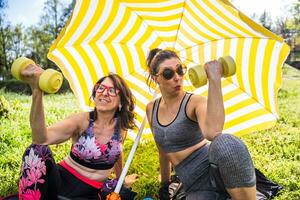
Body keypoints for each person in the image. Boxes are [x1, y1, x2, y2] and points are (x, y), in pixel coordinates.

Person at [145, 48, 256, 200]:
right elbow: (162, 150)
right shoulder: (152, 108)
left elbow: (213, 132)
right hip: (195, 185)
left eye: (180, 70)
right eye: (168, 73)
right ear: (155, 78)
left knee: (226, 143)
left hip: (214, 169)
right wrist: (165, 184)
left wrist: (214, 79)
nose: (177, 77)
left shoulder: (195, 102)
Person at [17, 63, 137, 200]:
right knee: (37, 150)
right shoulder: (82, 121)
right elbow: (40, 139)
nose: (104, 93)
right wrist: (37, 91)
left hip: (90, 193)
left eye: (112, 90)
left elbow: (117, 152)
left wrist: (120, 181)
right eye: (101, 88)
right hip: (61, 182)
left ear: (121, 100)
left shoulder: (121, 127)